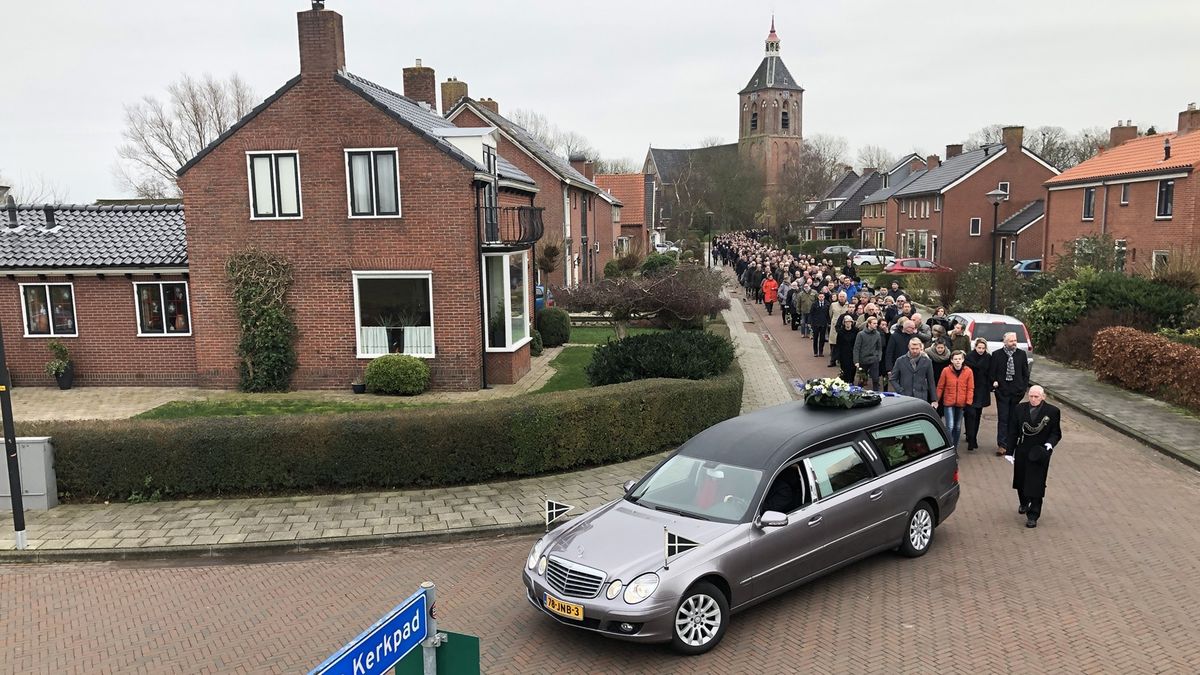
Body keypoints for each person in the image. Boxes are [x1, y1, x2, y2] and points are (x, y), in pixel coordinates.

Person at [1006, 385, 1062, 528]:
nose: (1033, 399)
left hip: (1039, 452)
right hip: (1023, 450)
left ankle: (1033, 515)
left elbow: (1056, 432)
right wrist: (1009, 451)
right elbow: (1013, 430)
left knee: (1036, 484)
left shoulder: (1053, 411)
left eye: (1036, 396)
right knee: (1021, 479)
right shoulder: (1019, 409)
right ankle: (1024, 502)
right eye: (1031, 396)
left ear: (1043, 397)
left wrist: (1050, 444)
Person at [989, 332, 1031, 456]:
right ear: (1005, 342)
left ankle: (1011, 443)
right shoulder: (997, 355)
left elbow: (1025, 373)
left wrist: (1023, 389)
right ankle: (1002, 445)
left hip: (1016, 392)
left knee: (1014, 419)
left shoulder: (1021, 354)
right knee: (1003, 418)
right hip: (1002, 392)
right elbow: (992, 373)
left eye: (1015, 340)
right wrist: (995, 383)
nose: (1014, 343)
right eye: (1011, 341)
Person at [937, 350, 974, 447]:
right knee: (950, 426)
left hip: (961, 403)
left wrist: (968, 402)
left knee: (957, 427)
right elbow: (940, 386)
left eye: (960, 359)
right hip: (949, 402)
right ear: (951, 360)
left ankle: (955, 447)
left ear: (963, 360)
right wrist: (936, 400)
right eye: (955, 359)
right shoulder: (946, 371)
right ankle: (948, 447)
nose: (958, 361)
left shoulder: (968, 371)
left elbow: (970, 388)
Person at [889, 337, 938, 406]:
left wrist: (934, 399)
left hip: (921, 397)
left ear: (921, 348)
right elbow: (893, 379)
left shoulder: (927, 361)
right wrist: (900, 390)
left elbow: (931, 381)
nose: (914, 351)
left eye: (917, 349)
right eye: (912, 348)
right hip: (905, 396)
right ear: (909, 347)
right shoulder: (900, 361)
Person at [963, 338, 992, 452]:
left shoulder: (988, 358)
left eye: (983, 348)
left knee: (977, 415)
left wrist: (990, 384)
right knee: (970, 414)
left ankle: (974, 437)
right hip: (970, 389)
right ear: (975, 347)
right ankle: (970, 436)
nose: (981, 350)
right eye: (979, 348)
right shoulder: (969, 357)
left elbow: (990, 372)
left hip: (982, 390)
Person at [853, 315, 884, 390]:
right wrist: (856, 361)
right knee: (862, 380)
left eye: (876, 323)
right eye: (874, 323)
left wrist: (878, 357)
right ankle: (858, 393)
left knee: (876, 379)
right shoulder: (861, 334)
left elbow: (879, 347)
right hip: (863, 360)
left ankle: (876, 394)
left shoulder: (877, 334)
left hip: (874, 359)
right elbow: (856, 348)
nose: (876, 325)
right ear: (869, 324)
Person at [835, 313, 859, 382]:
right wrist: (838, 356)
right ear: (844, 323)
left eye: (849, 322)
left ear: (852, 322)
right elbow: (838, 344)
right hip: (844, 354)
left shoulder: (856, 331)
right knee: (845, 370)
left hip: (853, 353)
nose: (848, 323)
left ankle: (851, 381)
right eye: (846, 322)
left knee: (852, 370)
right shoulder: (840, 332)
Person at [810, 292, 831, 357]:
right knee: (815, 338)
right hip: (815, 323)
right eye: (820, 297)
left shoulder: (827, 304)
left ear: (824, 297)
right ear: (818, 297)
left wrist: (828, 322)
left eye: (822, 297)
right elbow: (811, 313)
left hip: (823, 323)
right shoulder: (814, 304)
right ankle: (815, 352)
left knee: (822, 338)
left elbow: (828, 314)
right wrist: (811, 322)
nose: (821, 298)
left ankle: (821, 352)